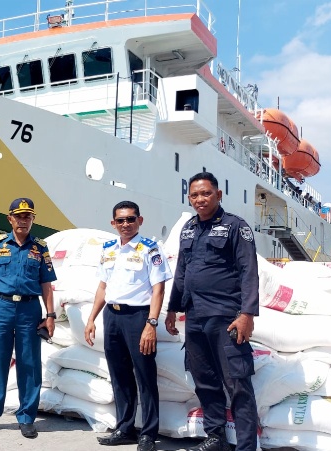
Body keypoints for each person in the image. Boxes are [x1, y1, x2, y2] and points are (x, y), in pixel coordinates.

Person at [165, 172, 259, 451]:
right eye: (194, 195)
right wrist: (172, 309)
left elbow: (248, 271)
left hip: (226, 317)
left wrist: (247, 314)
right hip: (194, 317)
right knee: (204, 380)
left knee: (238, 384)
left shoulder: (235, 227)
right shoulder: (189, 229)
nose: (200, 199)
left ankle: (245, 447)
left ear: (218, 195)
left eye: (205, 193)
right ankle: (216, 438)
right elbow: (182, 272)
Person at [85, 201, 173, 451]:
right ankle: (125, 428)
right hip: (112, 317)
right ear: (113, 223)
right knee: (119, 374)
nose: (125, 224)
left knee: (145, 375)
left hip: (138, 318)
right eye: (120, 220)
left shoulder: (150, 249)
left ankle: (148, 433)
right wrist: (92, 319)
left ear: (140, 221)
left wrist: (151, 324)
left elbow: (159, 289)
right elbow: (103, 287)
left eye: (130, 219)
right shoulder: (108, 249)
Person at [0, 198, 57, 439]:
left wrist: (50, 315)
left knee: (29, 364)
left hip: (30, 310)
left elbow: (46, 284)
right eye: (18, 216)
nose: (23, 220)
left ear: (33, 219)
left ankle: (27, 417)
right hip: (1, 307)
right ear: (10, 219)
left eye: (27, 216)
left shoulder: (40, 248)